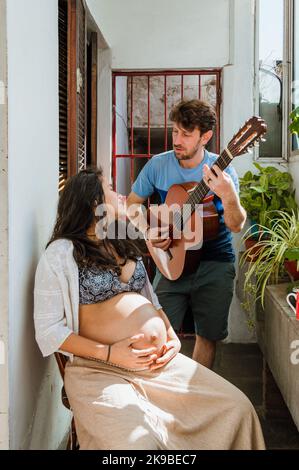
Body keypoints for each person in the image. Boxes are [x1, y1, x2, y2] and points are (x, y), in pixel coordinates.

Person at [33, 168, 264, 450]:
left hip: (157, 365)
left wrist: (171, 336)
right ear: (93, 204)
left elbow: (151, 303)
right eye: (110, 187)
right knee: (135, 444)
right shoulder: (60, 254)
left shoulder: (124, 245)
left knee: (237, 408)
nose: (120, 194)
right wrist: (108, 353)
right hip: (99, 371)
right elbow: (48, 331)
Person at [126, 99, 246, 369]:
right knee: (154, 333)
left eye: (186, 134)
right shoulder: (158, 166)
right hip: (171, 263)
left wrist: (227, 195)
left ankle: (195, 395)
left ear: (205, 136)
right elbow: (132, 203)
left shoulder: (222, 170)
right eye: (175, 132)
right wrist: (148, 230)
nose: (177, 140)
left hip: (215, 261)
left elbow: (237, 224)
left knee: (207, 336)